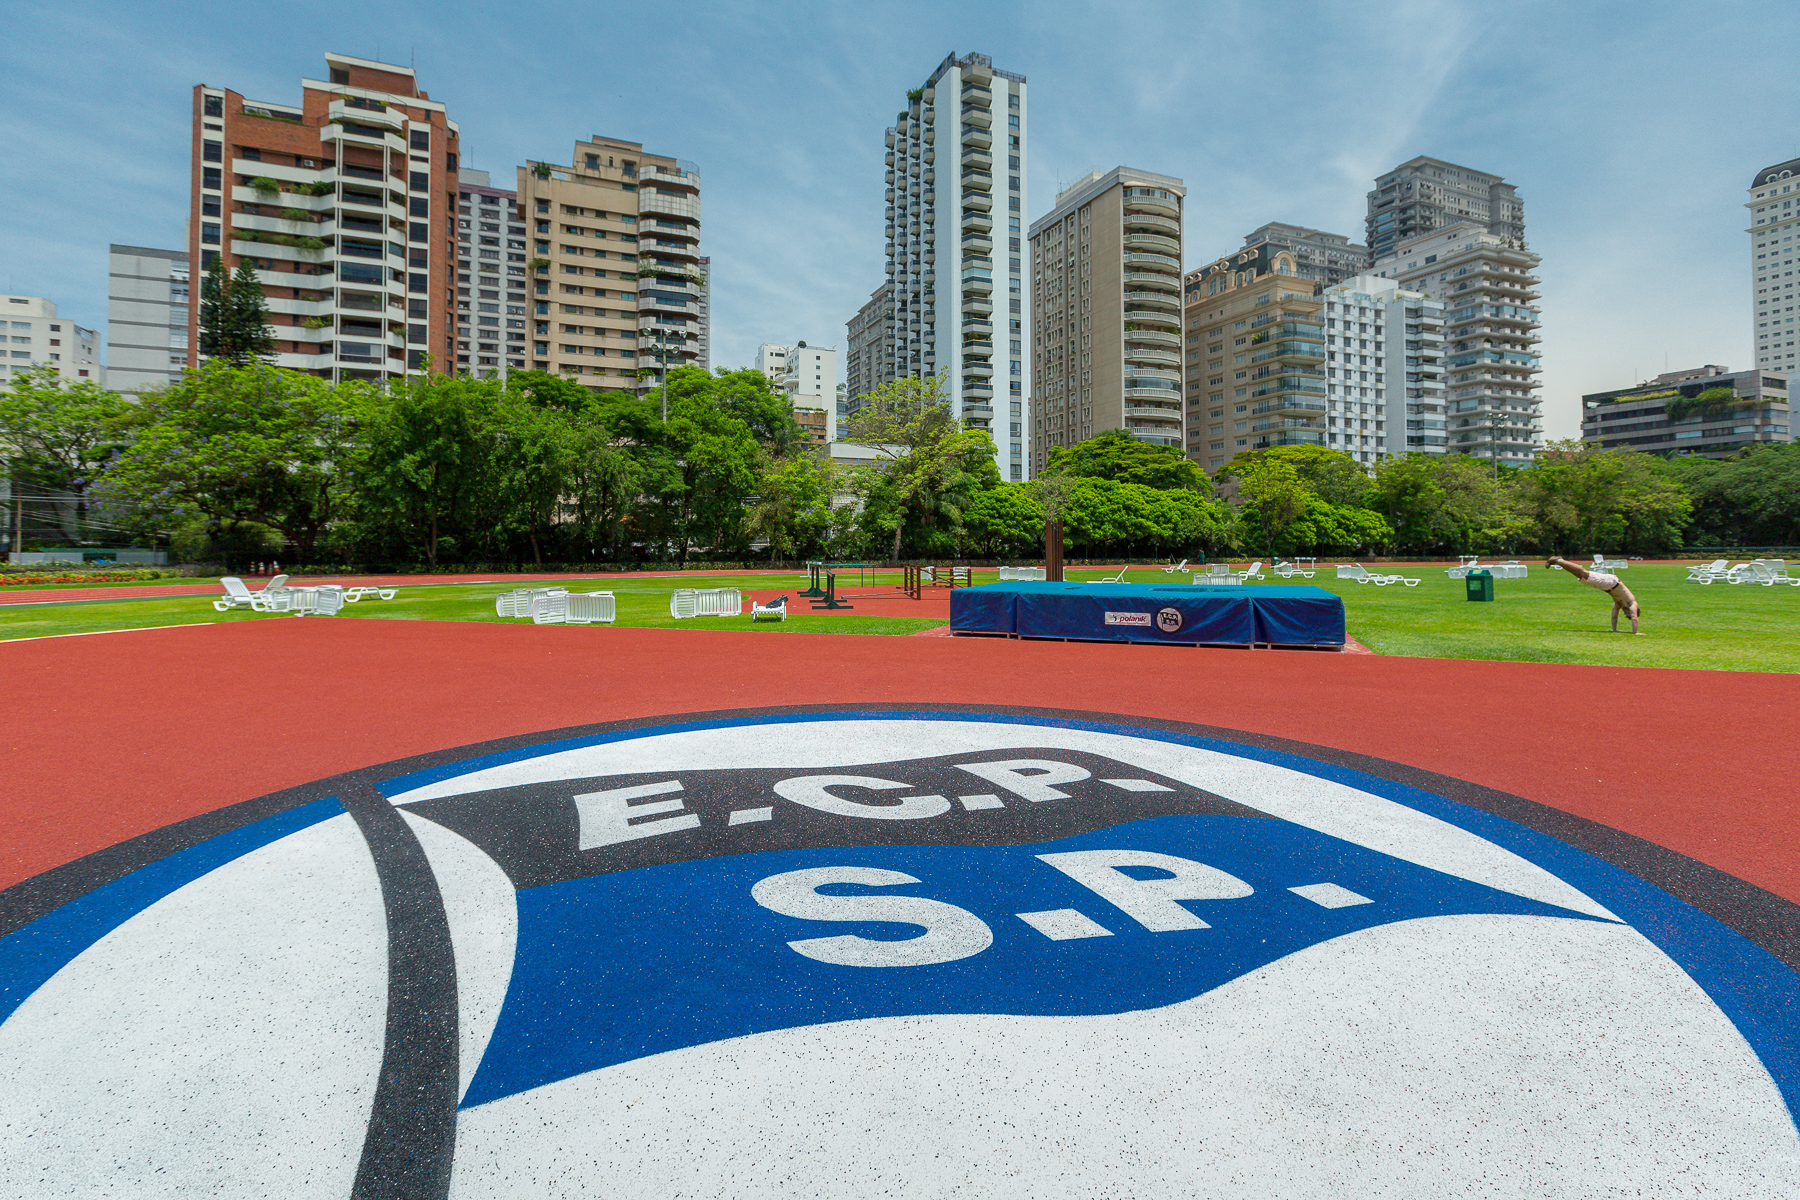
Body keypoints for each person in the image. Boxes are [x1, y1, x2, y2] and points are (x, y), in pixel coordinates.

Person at [1546, 556, 1641, 634]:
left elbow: (1614, 616)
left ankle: (1559, 562)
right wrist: (1635, 632)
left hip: (1606, 587)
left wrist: (1615, 630)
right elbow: (1634, 618)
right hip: (1611, 582)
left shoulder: (1619, 603)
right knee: (1584, 573)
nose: (1625, 613)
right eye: (1627, 614)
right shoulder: (1632, 603)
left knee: (1579, 575)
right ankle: (1559, 560)